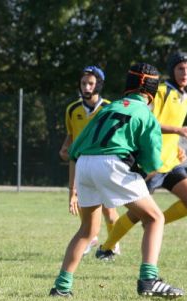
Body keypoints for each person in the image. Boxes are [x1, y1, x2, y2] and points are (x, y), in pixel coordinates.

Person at [49, 62, 184, 298]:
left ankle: (61, 287)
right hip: (110, 164)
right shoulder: (145, 113)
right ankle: (149, 280)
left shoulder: (107, 110)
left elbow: (75, 148)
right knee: (154, 218)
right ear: (151, 93)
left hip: (84, 164)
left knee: (87, 230)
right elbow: (153, 162)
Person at [96, 52, 187, 260]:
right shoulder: (160, 91)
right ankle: (107, 247)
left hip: (170, 162)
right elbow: (146, 122)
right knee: (135, 213)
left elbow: (170, 128)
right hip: (151, 162)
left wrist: (176, 145)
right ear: (172, 70)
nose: (185, 73)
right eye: (180, 68)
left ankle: (153, 222)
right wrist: (178, 131)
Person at [59, 66, 119, 255]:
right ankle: (91, 238)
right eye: (83, 83)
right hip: (82, 163)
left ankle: (112, 244)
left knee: (109, 210)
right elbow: (71, 134)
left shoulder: (109, 108)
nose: (86, 87)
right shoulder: (72, 109)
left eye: (91, 83)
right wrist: (65, 146)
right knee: (85, 206)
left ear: (98, 85)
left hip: (104, 164)